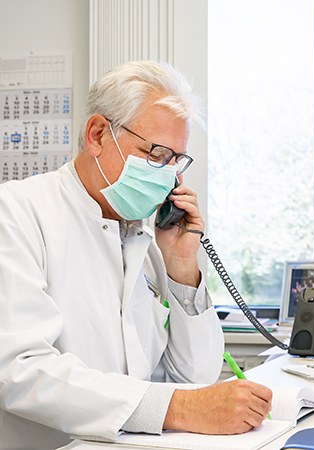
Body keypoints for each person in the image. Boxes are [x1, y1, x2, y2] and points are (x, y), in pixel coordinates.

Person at [0, 61, 272, 450]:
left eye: (177, 160)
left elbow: (196, 375)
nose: (168, 175)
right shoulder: (17, 211)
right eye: (157, 154)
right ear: (97, 135)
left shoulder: (151, 236)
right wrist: (178, 408)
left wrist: (181, 266)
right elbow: (19, 370)